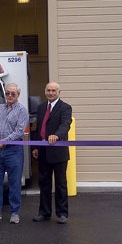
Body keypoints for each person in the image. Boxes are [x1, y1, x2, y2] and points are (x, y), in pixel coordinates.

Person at [0, 83, 29, 224]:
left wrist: (5, 141)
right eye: (7, 93)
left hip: (13, 151)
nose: (9, 96)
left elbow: (19, 131)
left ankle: (14, 213)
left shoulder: (22, 110)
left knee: (14, 183)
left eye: (12, 94)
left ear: (18, 95)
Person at [31, 81, 72, 224]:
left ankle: (62, 214)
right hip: (43, 152)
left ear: (59, 92)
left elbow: (65, 125)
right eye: (48, 90)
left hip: (58, 152)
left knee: (61, 184)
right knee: (44, 183)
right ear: (45, 91)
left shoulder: (65, 108)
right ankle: (44, 213)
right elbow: (39, 128)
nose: (51, 93)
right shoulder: (41, 107)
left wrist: (57, 135)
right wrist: (35, 147)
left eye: (54, 90)